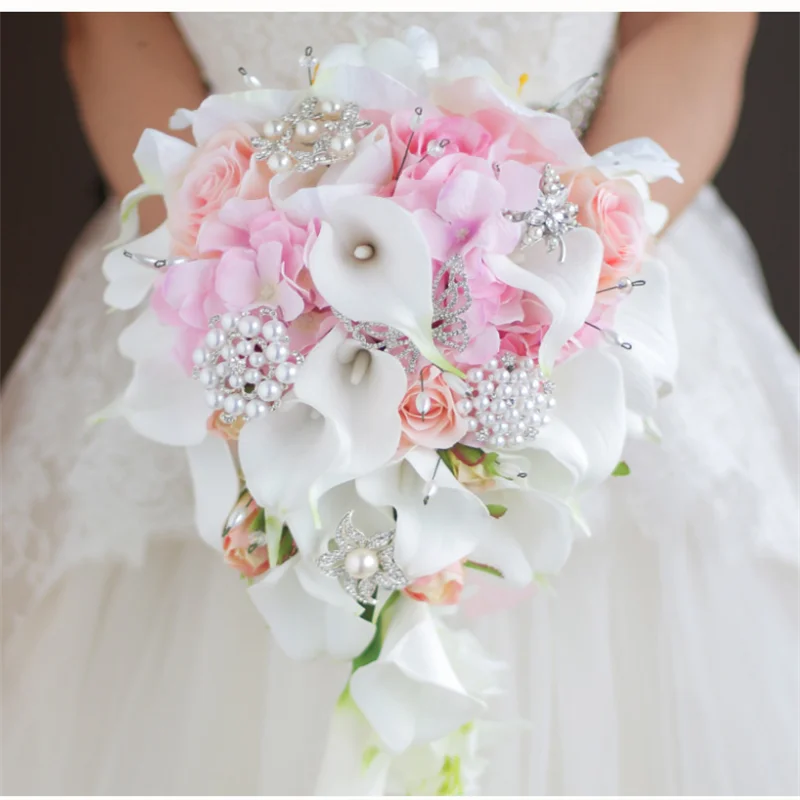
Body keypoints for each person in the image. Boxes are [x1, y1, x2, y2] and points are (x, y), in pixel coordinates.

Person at [1, 12, 798, 795]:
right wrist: (226, 269)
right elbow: (108, 28)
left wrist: (557, 285)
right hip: (231, 306)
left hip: (566, 301)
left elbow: (696, 24)